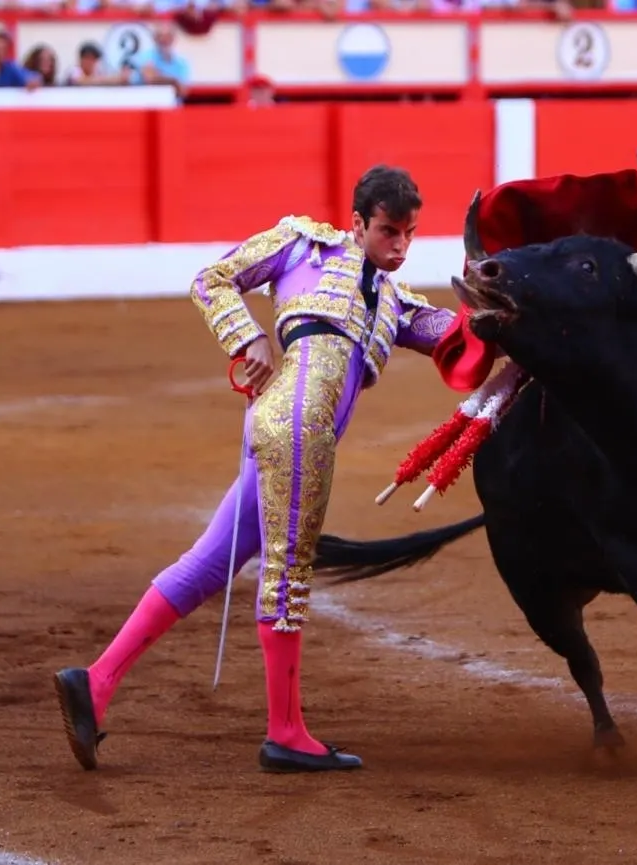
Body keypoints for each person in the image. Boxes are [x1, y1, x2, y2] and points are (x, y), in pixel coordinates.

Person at [53, 166, 458, 774]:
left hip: (286, 431)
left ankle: (96, 681)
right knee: (288, 572)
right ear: (357, 223)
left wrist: (512, 316)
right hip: (296, 429)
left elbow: (454, 335)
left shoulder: (394, 303)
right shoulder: (304, 245)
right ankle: (285, 733)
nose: (400, 246)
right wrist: (250, 339)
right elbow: (212, 279)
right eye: (387, 231)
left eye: (409, 234)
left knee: (209, 562)